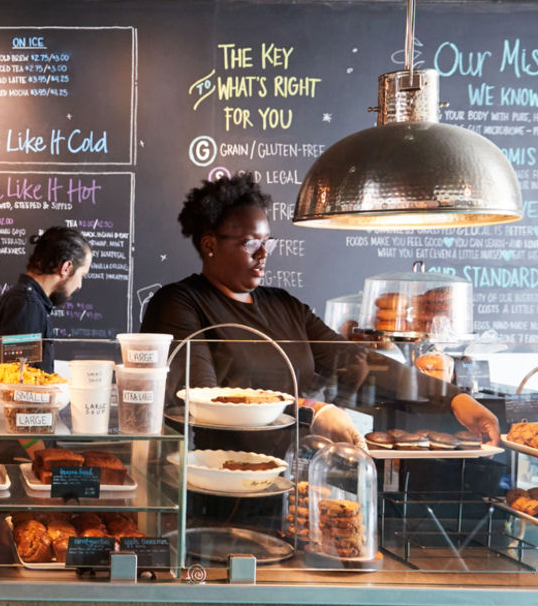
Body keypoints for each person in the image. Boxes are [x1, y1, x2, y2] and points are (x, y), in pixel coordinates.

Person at [140, 173, 500, 449]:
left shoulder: (284, 305)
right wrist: (311, 410)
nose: (264, 253)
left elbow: (357, 362)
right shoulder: (178, 304)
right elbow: (203, 400)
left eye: (268, 242)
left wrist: (454, 398)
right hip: (208, 488)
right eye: (251, 243)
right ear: (209, 245)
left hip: (284, 482)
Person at [0, 226, 93, 374]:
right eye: (82, 275)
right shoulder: (27, 305)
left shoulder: (25, 300)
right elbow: (19, 380)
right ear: (66, 267)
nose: (79, 285)